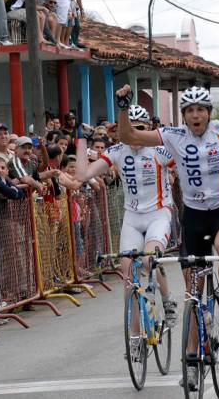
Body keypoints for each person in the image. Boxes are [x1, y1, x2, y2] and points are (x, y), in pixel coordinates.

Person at [115, 78, 219, 344]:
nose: (195, 114)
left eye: (200, 109)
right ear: (183, 115)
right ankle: (192, 362)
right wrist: (123, 109)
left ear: (208, 113)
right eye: (189, 110)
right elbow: (128, 136)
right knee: (193, 295)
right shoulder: (173, 135)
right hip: (193, 217)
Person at [75, 104, 178, 328]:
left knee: (150, 260)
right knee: (128, 273)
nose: (133, 134)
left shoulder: (159, 150)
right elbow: (82, 175)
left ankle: (168, 299)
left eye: (139, 128)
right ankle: (134, 335)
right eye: (128, 129)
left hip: (158, 213)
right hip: (132, 216)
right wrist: (81, 140)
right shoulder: (117, 151)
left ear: (148, 128)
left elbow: (186, 167)